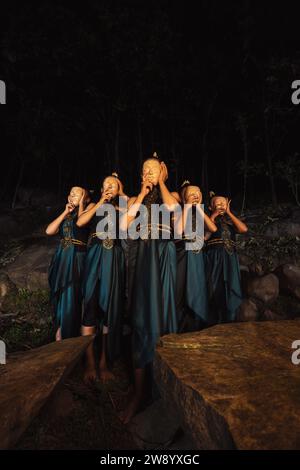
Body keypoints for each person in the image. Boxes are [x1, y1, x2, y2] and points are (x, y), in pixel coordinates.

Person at [119, 152, 179, 424]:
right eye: (145, 170)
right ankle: (140, 393)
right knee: (142, 315)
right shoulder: (134, 199)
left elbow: (173, 212)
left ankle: (167, 390)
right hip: (143, 255)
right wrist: (142, 196)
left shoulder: (173, 194)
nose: (149, 173)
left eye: (154, 170)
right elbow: (124, 226)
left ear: (163, 173)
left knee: (165, 312)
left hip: (164, 255)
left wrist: (163, 184)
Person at [77, 173, 126, 384]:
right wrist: (99, 203)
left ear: (118, 189)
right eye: (105, 183)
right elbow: (81, 222)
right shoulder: (95, 205)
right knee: (90, 303)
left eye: (113, 185)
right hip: (96, 252)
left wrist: (119, 201)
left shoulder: (122, 207)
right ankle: (89, 362)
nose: (109, 186)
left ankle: (104, 361)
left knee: (110, 306)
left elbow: (130, 225)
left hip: (114, 255)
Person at [46, 186, 90, 340]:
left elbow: (80, 224)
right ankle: (60, 333)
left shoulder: (86, 213)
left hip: (77, 257)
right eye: (70, 193)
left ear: (85, 197)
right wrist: (65, 211)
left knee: (74, 293)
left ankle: (71, 335)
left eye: (77, 194)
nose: (72, 195)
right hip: (62, 257)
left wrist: (82, 203)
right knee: (62, 293)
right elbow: (49, 231)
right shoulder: (66, 215)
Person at [175, 182, 217, 331]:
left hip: (198, 255)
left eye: (198, 192)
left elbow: (213, 228)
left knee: (199, 287)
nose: (195, 194)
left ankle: (198, 324)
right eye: (191, 192)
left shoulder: (200, 212)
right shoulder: (179, 210)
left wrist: (199, 208)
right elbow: (179, 232)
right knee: (182, 288)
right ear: (184, 196)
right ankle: (180, 327)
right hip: (183, 254)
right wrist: (187, 206)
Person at [205, 192, 248, 324]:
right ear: (211, 207)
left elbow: (244, 229)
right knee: (214, 286)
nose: (221, 205)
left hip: (230, 258)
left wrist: (229, 213)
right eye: (217, 203)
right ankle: (213, 319)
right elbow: (205, 235)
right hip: (215, 258)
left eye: (223, 203)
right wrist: (212, 216)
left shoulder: (230, 225)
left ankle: (230, 318)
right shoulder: (207, 220)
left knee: (231, 284)